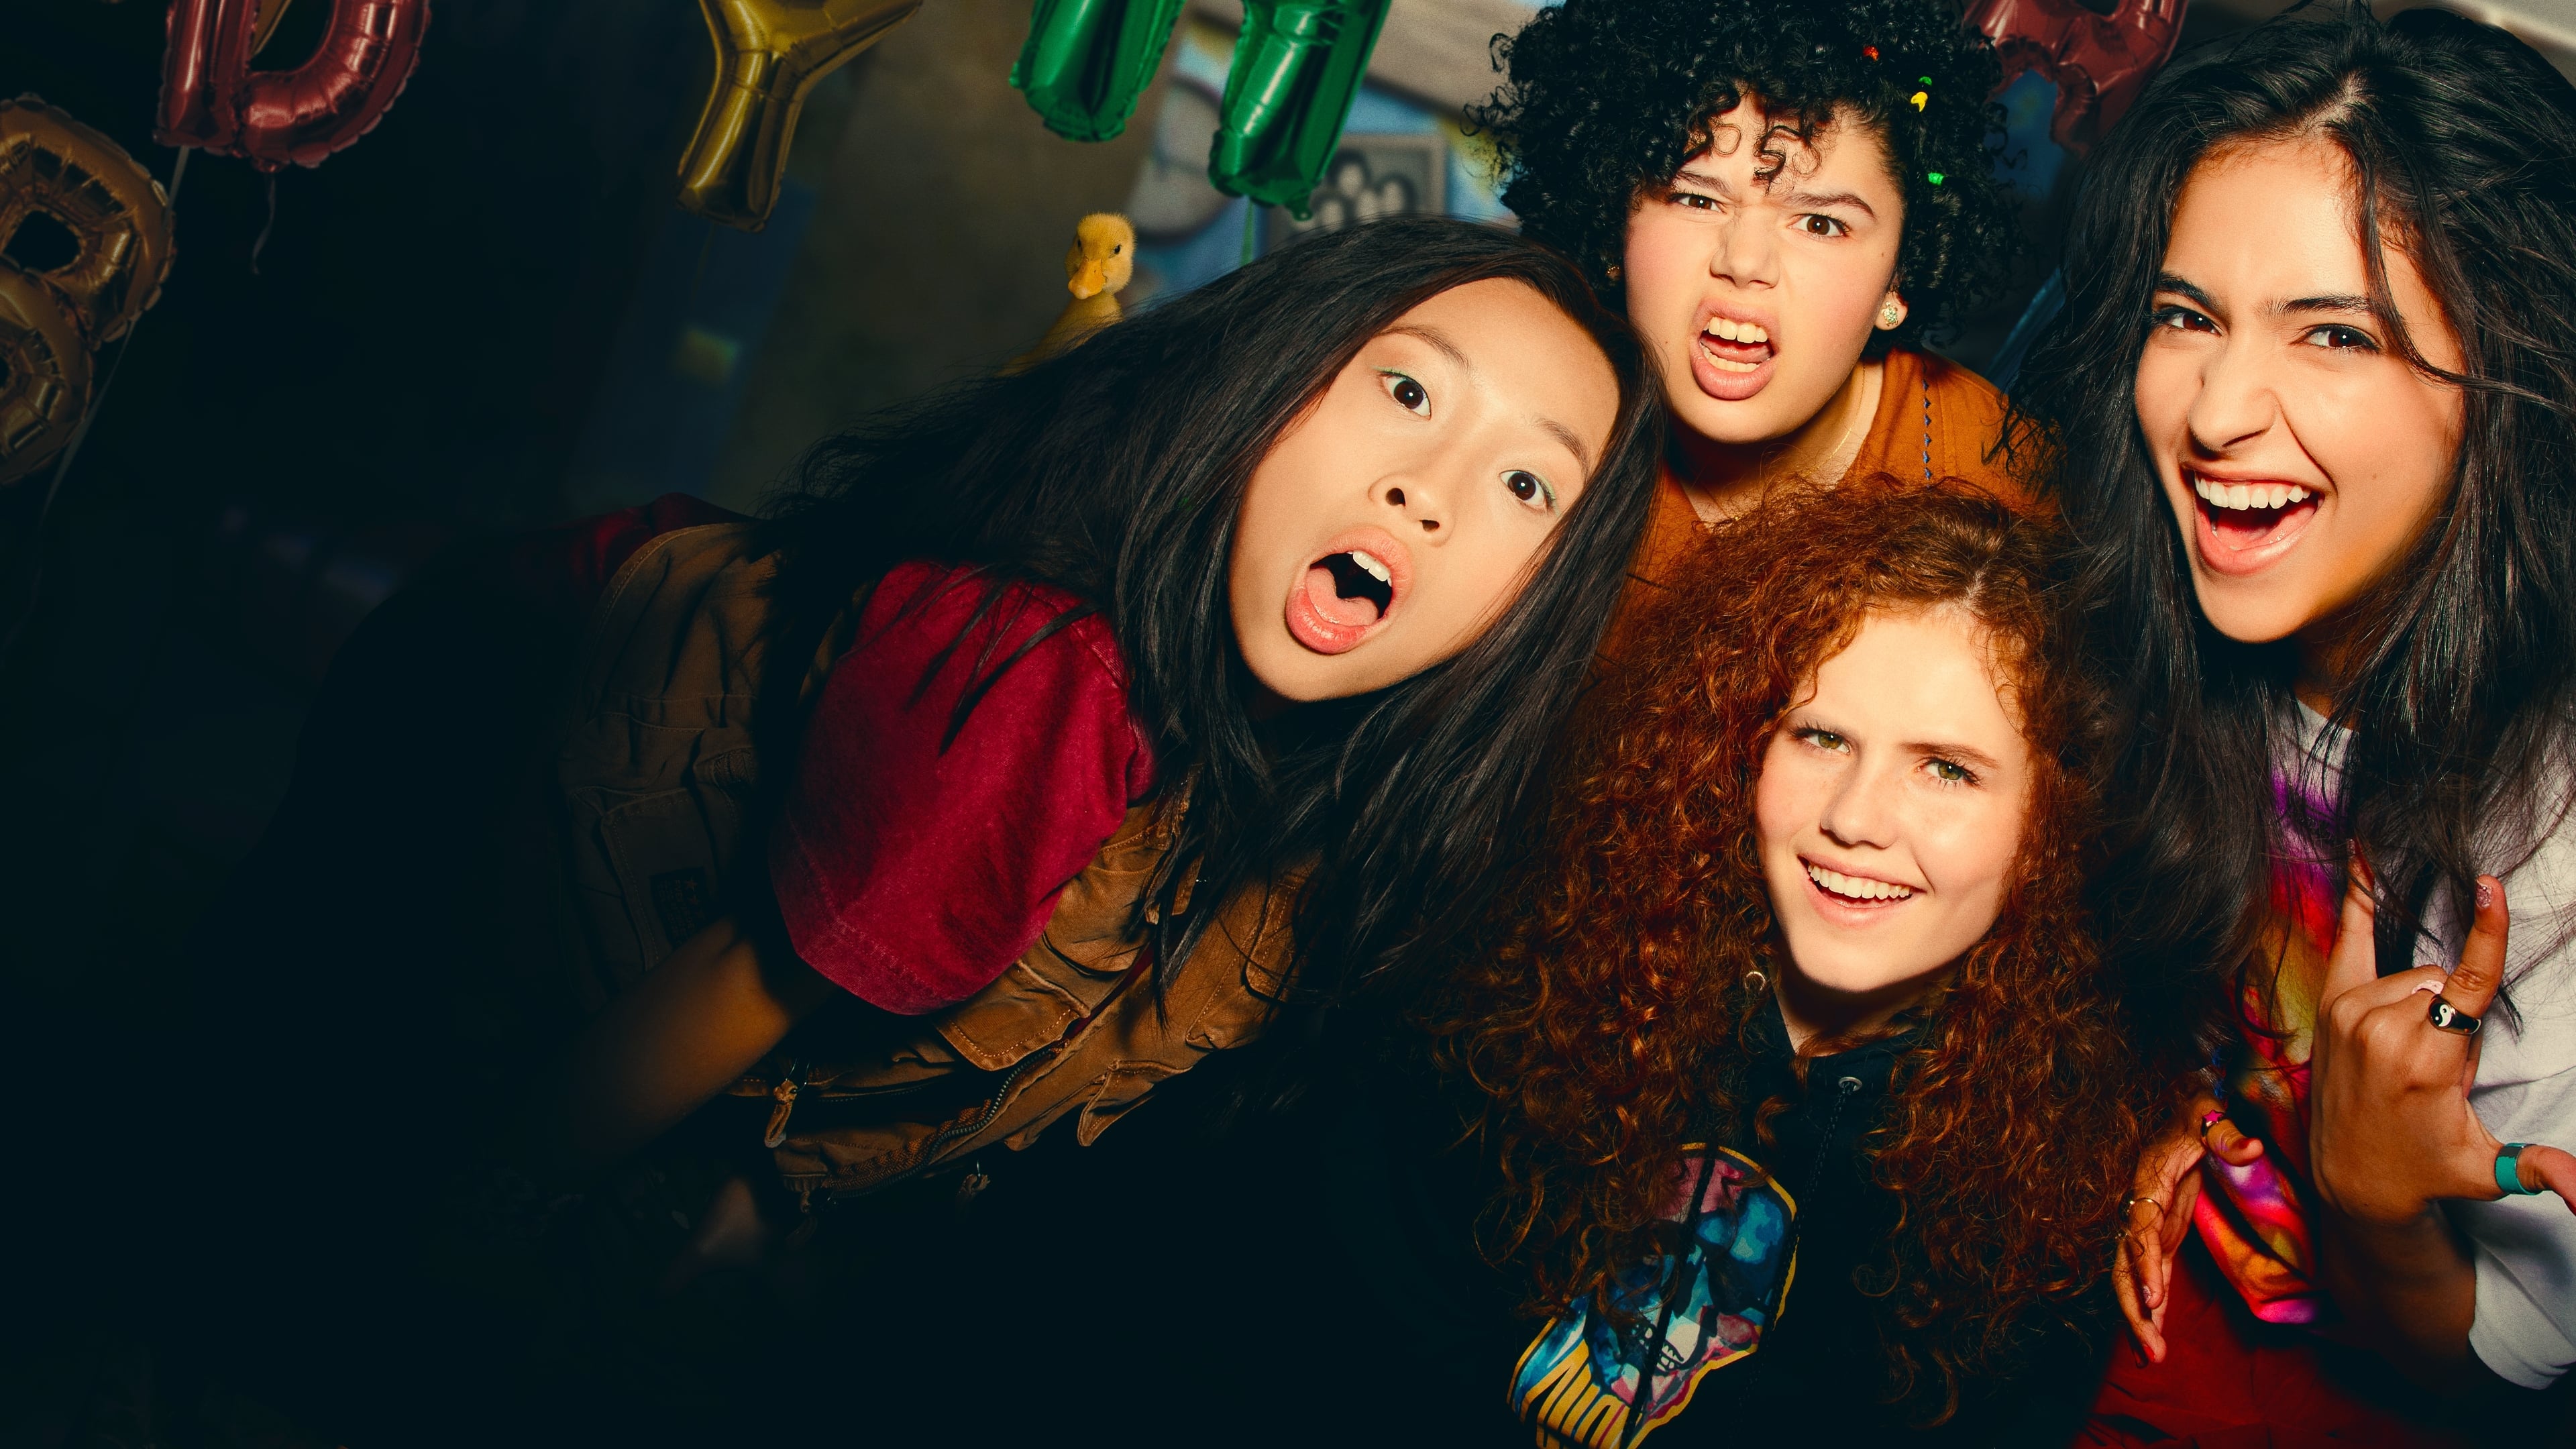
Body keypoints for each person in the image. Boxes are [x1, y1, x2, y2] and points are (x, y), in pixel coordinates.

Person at [2010, 6, 2576, 1439]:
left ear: (2513, 377)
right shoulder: (2170, 648)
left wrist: (2369, 1196)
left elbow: (2497, 1372)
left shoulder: (2551, 838)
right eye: (2186, 316)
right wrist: (2173, 1111)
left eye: (2335, 333)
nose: (2216, 412)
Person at [1420, 481, 2171, 1444]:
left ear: (2054, 823)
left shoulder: (2056, 1189)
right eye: (1821, 737)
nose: (1854, 818)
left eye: (1946, 768)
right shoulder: (1552, 989)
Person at [1473, 0, 2028, 659]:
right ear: (1614, 226)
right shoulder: (1516, 426)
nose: (1744, 261)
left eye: (1820, 223)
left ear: (1899, 280)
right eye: (1698, 198)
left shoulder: (2000, 475)